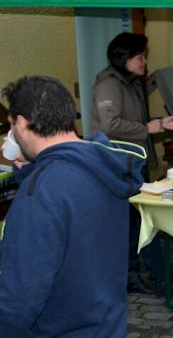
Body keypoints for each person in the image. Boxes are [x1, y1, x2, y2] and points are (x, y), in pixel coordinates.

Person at [0, 76, 147, 337]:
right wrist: (30, 172)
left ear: (21, 123)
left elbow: (21, 299)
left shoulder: (41, 193)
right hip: (107, 325)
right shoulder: (104, 166)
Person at [91, 32, 173, 294]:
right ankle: (155, 276)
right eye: (140, 56)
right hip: (118, 164)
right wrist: (149, 127)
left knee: (137, 220)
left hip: (133, 162)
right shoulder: (109, 85)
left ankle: (144, 275)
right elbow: (111, 124)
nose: (145, 61)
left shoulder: (129, 82)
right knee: (140, 219)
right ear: (124, 58)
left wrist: (161, 122)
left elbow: (134, 121)